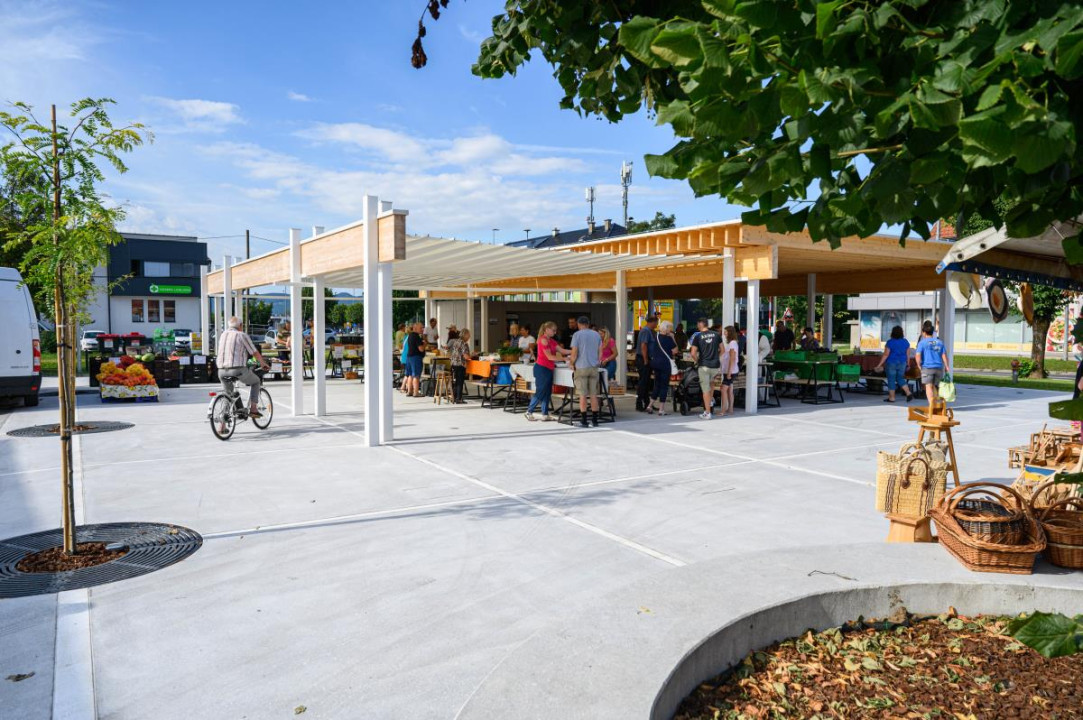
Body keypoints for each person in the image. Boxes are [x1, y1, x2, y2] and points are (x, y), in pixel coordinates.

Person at [217, 316, 270, 417]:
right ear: (240, 325)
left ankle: (222, 422)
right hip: (237, 369)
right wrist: (263, 363)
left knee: (229, 395)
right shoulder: (241, 335)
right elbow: (254, 352)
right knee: (256, 381)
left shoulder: (223, 335)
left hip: (221, 371)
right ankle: (253, 409)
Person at [569, 316, 602, 427]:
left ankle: (584, 421)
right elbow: (600, 352)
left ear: (579, 324)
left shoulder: (577, 335)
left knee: (582, 395)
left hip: (581, 367)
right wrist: (597, 362)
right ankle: (595, 420)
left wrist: (571, 363)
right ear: (588, 324)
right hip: (594, 367)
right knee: (593, 394)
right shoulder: (596, 334)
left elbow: (574, 353)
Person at [526, 322, 561, 421]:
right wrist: (565, 358)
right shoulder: (543, 340)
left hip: (549, 369)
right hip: (542, 369)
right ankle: (529, 411)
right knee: (541, 391)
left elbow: (562, 350)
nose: (555, 332)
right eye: (553, 330)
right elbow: (549, 357)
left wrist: (575, 351)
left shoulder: (552, 341)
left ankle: (545, 414)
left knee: (547, 392)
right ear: (547, 330)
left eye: (555, 330)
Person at [690, 317, 722, 420]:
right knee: (711, 384)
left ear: (701, 324)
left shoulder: (698, 336)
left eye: (697, 324)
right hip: (715, 366)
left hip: (704, 365)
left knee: (705, 390)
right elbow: (723, 350)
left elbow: (693, 353)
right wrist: (716, 358)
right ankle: (710, 401)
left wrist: (697, 361)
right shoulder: (716, 335)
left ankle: (707, 412)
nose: (697, 326)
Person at [875, 325, 915, 403]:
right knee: (900, 378)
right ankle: (908, 393)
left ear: (892, 333)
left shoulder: (890, 342)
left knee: (891, 380)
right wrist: (908, 364)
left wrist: (879, 365)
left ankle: (892, 398)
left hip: (891, 363)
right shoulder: (905, 342)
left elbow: (886, 355)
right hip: (902, 363)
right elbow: (908, 355)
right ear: (902, 333)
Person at [915, 322, 951, 406]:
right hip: (938, 368)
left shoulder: (922, 343)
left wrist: (919, 365)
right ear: (932, 332)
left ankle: (932, 405)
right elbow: (944, 355)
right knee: (936, 386)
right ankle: (938, 404)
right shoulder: (939, 342)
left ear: (924, 332)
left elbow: (918, 355)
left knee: (928, 387)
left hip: (927, 367)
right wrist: (947, 366)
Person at [647, 320, 676, 415]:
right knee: (664, 386)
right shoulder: (669, 339)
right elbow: (675, 350)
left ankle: (650, 405)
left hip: (656, 364)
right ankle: (661, 409)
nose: (671, 330)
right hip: (665, 364)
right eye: (670, 328)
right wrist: (673, 337)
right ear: (666, 329)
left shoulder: (656, 336)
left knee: (657, 384)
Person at [636, 316, 660, 411]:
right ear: (652, 322)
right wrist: (645, 359)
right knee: (643, 382)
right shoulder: (645, 331)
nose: (657, 324)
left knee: (646, 382)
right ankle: (639, 403)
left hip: (647, 358)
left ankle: (647, 403)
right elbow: (644, 345)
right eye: (656, 322)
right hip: (643, 359)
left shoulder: (651, 331)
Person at [447, 328, 472, 404]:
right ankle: (459, 399)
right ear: (465, 335)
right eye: (469, 335)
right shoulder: (464, 343)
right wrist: (472, 355)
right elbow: (466, 356)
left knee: (456, 381)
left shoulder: (456, 341)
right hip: (460, 364)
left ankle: (454, 397)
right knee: (460, 381)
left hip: (453, 364)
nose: (469, 336)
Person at [719, 326, 740, 416]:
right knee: (729, 390)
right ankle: (730, 409)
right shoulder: (732, 343)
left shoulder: (732, 343)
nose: (724, 333)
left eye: (726, 332)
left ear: (730, 332)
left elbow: (732, 358)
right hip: (730, 370)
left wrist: (729, 373)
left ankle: (723, 410)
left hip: (730, 371)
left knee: (723, 389)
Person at [404, 322, 426, 397]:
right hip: (416, 357)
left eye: (422, 328)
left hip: (409, 357)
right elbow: (421, 349)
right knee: (416, 375)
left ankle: (409, 391)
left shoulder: (410, 335)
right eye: (421, 328)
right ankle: (416, 392)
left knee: (410, 375)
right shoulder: (416, 336)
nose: (422, 329)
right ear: (415, 328)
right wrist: (424, 344)